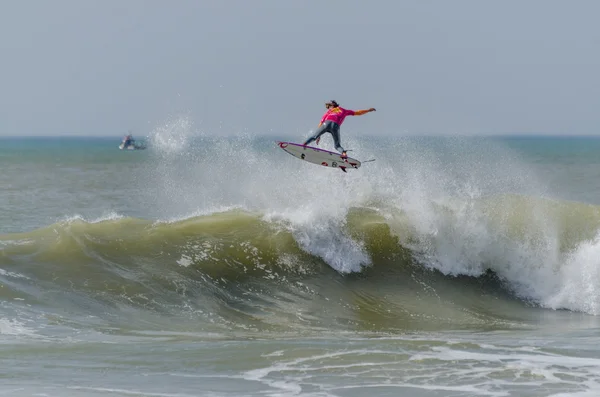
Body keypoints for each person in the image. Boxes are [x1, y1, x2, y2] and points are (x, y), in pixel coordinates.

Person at [303, 100, 376, 159]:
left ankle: (304, 144)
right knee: (337, 145)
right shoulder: (344, 110)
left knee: (314, 136)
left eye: (328, 107)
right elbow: (358, 112)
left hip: (326, 124)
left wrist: (318, 136)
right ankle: (344, 153)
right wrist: (368, 110)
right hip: (336, 126)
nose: (328, 108)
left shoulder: (329, 112)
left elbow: (321, 123)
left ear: (331, 106)